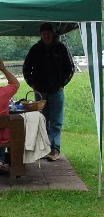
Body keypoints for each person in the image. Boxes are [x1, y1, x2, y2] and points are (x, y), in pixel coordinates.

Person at [23, 23, 74, 161]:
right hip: (40, 93)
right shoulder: (35, 49)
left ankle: (55, 150)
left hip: (56, 91)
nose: (46, 36)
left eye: (49, 33)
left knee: (56, 122)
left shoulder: (61, 48)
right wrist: (32, 84)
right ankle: (44, 149)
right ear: (41, 34)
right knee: (42, 120)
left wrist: (62, 84)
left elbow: (70, 69)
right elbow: (26, 69)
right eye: (44, 33)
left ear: (53, 34)